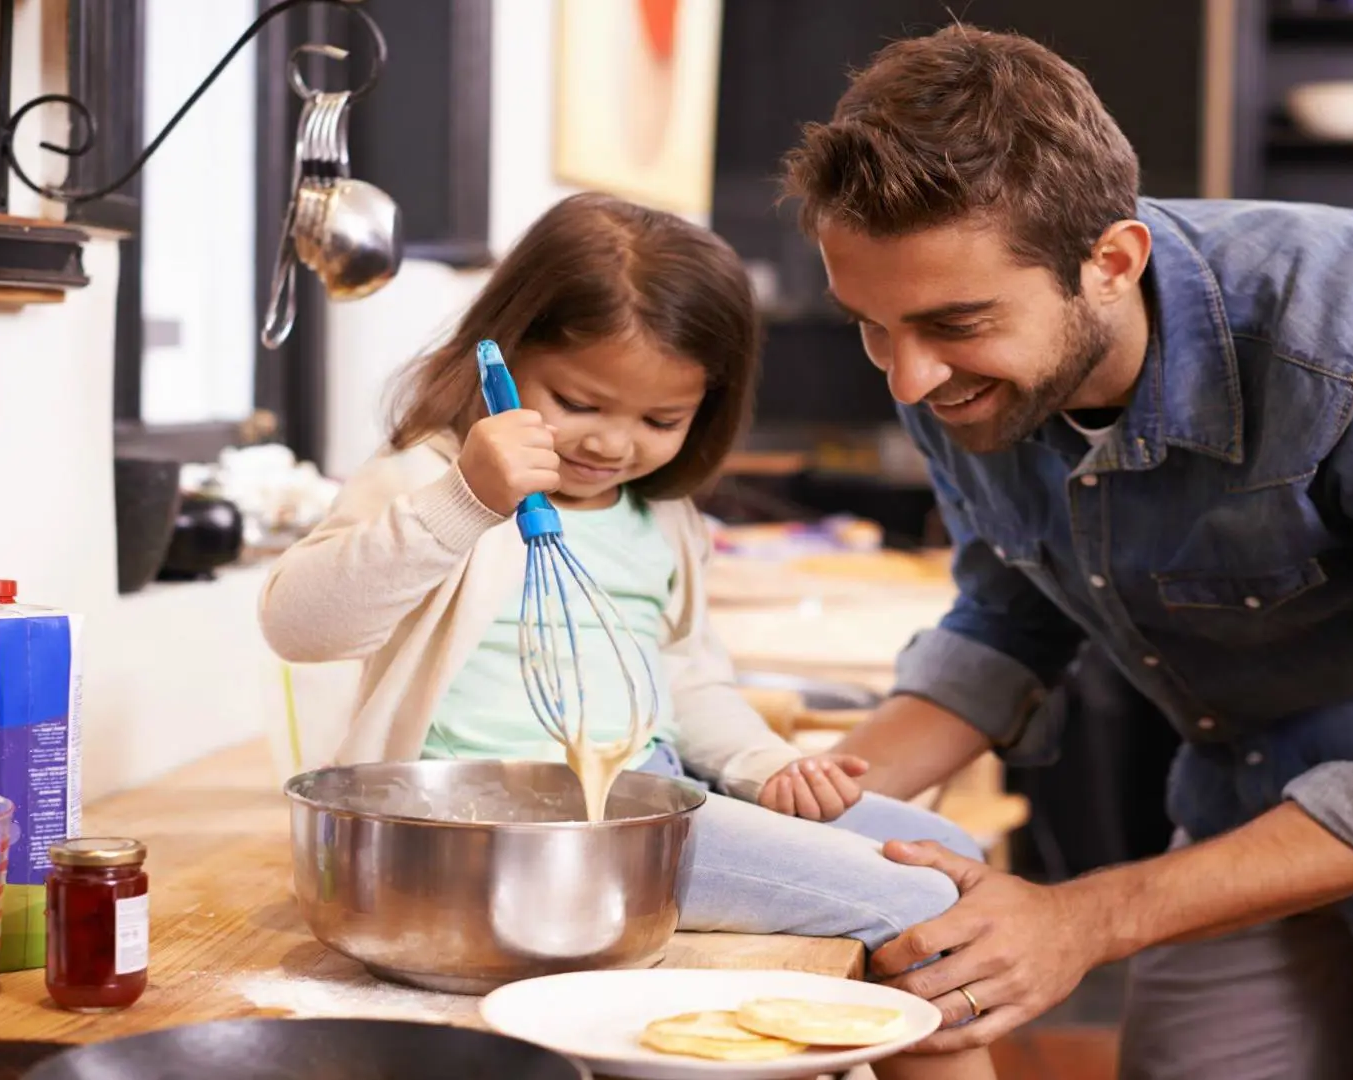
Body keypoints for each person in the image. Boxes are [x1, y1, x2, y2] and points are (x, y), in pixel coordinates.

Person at [778, 25, 1353, 1080]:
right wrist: (794, 807)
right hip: (1266, 784)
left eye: (955, 323)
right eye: (871, 326)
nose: (908, 379)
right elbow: (1011, 615)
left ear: (1111, 263)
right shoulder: (953, 366)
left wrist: (1086, 919)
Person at [258, 191, 997, 1080]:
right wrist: (467, 502)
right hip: (503, 838)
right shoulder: (429, 480)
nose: (613, 444)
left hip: (647, 804)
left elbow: (684, 677)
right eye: (580, 401)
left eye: (661, 420)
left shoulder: (662, 517)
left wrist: (764, 766)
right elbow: (299, 624)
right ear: (501, 352)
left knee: (958, 855)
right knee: (920, 903)